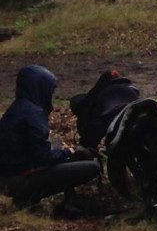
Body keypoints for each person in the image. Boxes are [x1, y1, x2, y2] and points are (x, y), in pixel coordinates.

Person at [0, 65, 101, 211]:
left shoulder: (18, 108)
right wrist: (71, 152)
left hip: (7, 175)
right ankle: (30, 197)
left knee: (56, 145)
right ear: (40, 89)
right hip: (16, 180)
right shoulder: (33, 114)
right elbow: (42, 158)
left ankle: (29, 198)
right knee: (92, 167)